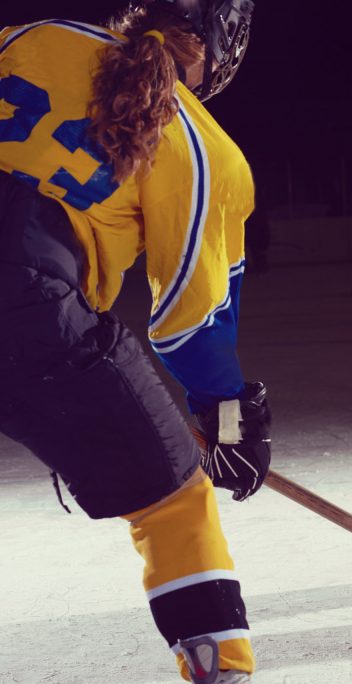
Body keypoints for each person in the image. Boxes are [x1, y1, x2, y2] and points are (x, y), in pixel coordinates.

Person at [0, 2, 270, 683]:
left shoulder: (37, 36)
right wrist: (229, 419)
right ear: (219, 44)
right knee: (174, 500)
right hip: (28, 311)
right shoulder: (203, 147)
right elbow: (190, 321)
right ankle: (220, 672)